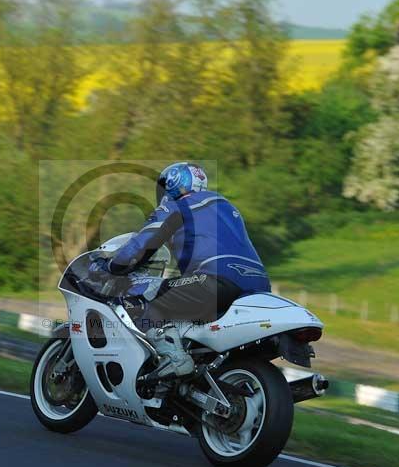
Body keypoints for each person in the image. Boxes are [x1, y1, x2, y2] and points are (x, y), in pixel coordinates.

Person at [89, 162, 270, 378]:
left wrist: (112, 266)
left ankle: (175, 359)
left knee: (141, 294)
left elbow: (143, 244)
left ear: (174, 184)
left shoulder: (178, 206)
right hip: (257, 286)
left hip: (216, 280)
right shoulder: (226, 207)